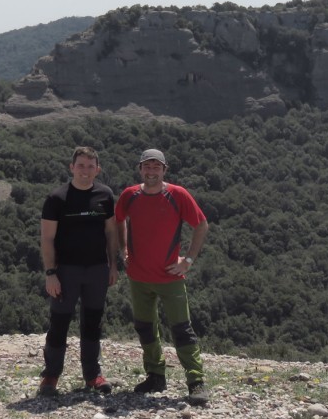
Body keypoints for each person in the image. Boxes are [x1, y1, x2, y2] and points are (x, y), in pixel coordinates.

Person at [115, 148, 211, 405]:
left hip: (170, 278)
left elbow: (201, 224)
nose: (152, 171)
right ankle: (156, 375)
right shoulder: (129, 195)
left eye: (156, 167)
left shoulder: (177, 195)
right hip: (139, 277)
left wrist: (188, 260)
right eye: (147, 166)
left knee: (182, 329)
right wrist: (123, 250)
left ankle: (195, 380)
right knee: (145, 328)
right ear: (140, 169)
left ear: (164, 170)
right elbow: (118, 220)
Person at [38, 146, 118, 397]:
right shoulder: (56, 199)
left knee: (92, 323)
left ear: (98, 169)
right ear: (71, 167)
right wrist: (51, 273)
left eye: (90, 166)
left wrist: (113, 265)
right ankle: (50, 376)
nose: (85, 170)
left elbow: (110, 232)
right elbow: (47, 239)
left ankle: (93, 375)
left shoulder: (105, 195)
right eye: (80, 165)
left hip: (97, 269)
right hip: (66, 270)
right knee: (59, 322)